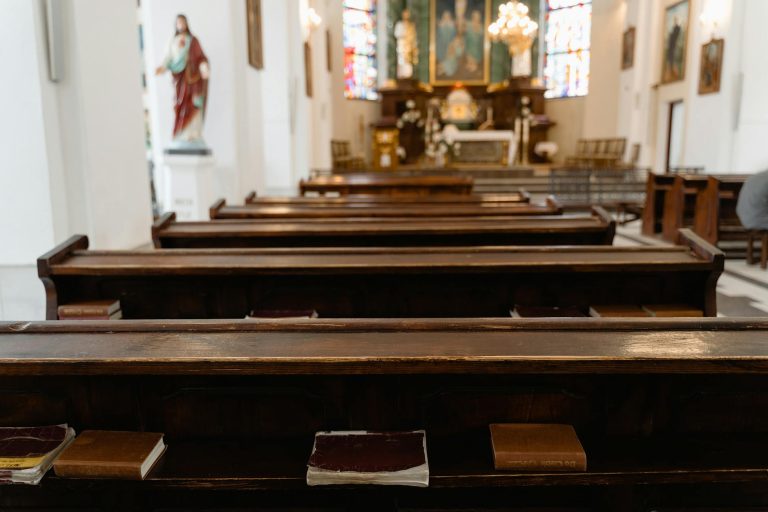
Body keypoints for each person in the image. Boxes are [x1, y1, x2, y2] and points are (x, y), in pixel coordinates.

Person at [155, 14, 210, 147]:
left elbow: (201, 57)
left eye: (183, 22)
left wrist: (203, 67)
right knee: (180, 104)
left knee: (194, 103)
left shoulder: (193, 40)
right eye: (178, 23)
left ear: (186, 23)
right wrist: (162, 67)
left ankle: (194, 133)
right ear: (176, 25)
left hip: (193, 78)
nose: (181, 25)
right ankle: (182, 133)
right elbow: (168, 57)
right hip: (180, 78)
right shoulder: (173, 41)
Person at [394, 8, 418, 79]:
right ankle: (401, 75)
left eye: (407, 14)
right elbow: (397, 34)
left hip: (409, 46)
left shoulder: (411, 25)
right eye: (405, 14)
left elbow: (414, 36)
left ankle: (408, 75)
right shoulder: (399, 24)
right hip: (402, 45)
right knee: (401, 60)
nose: (406, 16)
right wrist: (404, 35)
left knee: (408, 60)